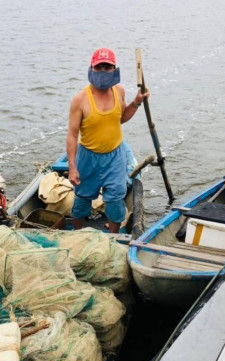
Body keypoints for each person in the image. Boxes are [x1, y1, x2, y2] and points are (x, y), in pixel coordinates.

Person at [67, 47, 148, 233]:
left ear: (114, 69)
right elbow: (72, 135)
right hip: (88, 157)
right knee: (82, 198)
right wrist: (72, 167)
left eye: (108, 67)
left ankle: (113, 239)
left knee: (115, 200)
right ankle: (77, 234)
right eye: (99, 67)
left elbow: (121, 118)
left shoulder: (118, 91)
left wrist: (136, 103)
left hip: (115, 156)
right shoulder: (80, 100)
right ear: (91, 69)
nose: (103, 71)